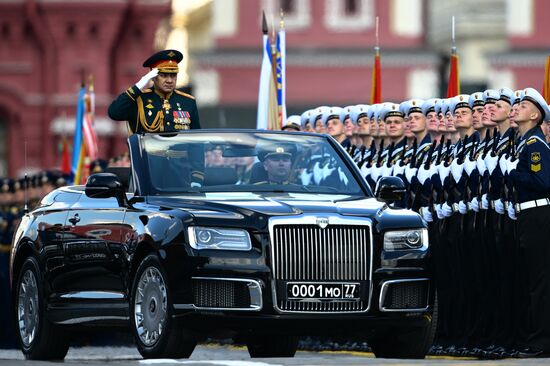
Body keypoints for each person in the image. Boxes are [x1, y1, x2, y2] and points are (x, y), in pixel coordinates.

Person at [506, 88, 550, 358]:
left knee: (541, 282)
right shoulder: (524, 144)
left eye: (523, 105)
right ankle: (535, 336)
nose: (517, 108)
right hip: (528, 215)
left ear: (535, 115)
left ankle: (543, 340)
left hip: (538, 216)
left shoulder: (534, 146)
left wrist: (513, 174)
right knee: (533, 280)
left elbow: (542, 182)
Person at [108, 49, 200, 134]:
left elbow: (196, 138)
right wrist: (139, 85)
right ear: (153, 77)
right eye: (163, 75)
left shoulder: (188, 101)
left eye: (173, 75)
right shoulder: (139, 99)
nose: (169, 80)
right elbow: (114, 113)